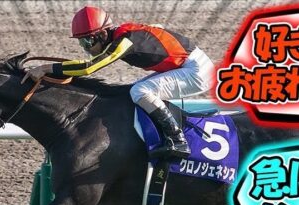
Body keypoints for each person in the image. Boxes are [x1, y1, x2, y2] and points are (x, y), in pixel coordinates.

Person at [22, 6, 215, 160]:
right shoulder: (123, 32)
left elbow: (89, 67)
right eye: (81, 43)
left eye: (87, 42)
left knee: (140, 91)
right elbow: (157, 27)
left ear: (102, 34)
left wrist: (47, 68)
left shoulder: (125, 41)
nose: (86, 48)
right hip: (187, 65)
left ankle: (177, 139)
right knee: (133, 91)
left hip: (197, 71)